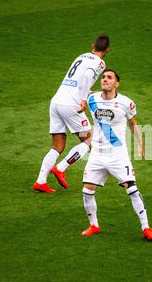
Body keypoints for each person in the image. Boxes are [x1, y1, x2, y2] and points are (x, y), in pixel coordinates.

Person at [80, 69, 152, 240]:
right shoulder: (92, 99)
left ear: (117, 83)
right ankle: (94, 225)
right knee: (87, 190)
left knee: (131, 188)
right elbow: (82, 91)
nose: (105, 80)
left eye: (109, 78)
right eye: (103, 77)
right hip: (97, 154)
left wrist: (140, 145)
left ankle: (146, 228)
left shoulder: (126, 103)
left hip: (117, 154)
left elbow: (133, 123)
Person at [34, 35, 110, 193]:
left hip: (56, 101)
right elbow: (88, 76)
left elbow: (78, 83)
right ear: (107, 50)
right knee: (90, 140)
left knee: (57, 146)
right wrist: (83, 100)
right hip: (71, 105)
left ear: (92, 45)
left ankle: (40, 182)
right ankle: (61, 168)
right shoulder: (100, 62)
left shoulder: (81, 56)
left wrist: (95, 94)